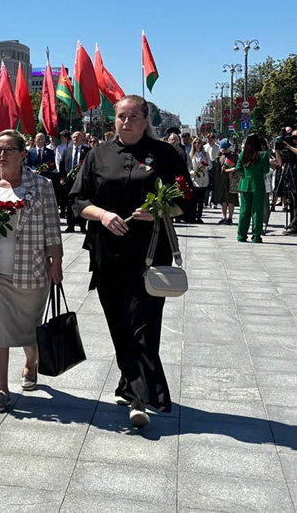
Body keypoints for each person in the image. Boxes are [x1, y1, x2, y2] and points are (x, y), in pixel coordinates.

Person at [70, 95, 190, 426]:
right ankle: (131, 386)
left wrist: (159, 211)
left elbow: (187, 199)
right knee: (119, 324)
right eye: (121, 116)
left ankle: (140, 398)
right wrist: (103, 215)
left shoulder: (165, 154)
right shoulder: (98, 154)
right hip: (106, 252)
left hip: (149, 253)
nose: (126, 122)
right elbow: (77, 199)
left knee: (143, 325)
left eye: (134, 116)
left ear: (146, 120)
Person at [0, 129, 63, 412]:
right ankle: (1, 390)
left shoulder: (41, 185)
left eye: (8, 150)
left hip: (31, 270)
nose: (1, 155)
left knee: (29, 330)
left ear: (22, 154)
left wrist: (56, 261)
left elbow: (52, 226)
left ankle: (31, 361)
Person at [233, 134, 271, 243]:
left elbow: (238, 168)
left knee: (244, 211)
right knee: (257, 211)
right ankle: (256, 236)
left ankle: (241, 235)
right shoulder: (263, 155)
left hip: (245, 184)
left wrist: (245, 175)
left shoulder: (242, 154)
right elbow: (266, 170)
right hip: (258, 184)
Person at [59, 131, 89, 233]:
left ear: (82, 139)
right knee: (69, 203)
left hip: (82, 182)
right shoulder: (67, 151)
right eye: (74, 137)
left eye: (77, 137)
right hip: (69, 182)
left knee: (82, 203)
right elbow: (62, 165)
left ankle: (82, 226)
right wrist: (62, 177)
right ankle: (70, 225)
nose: (75, 139)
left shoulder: (87, 151)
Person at [214, 139, 240, 225]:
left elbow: (237, 167)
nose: (223, 150)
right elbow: (217, 166)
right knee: (223, 199)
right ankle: (224, 217)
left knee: (231, 199)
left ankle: (230, 217)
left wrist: (229, 169)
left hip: (232, 180)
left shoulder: (234, 156)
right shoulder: (220, 155)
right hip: (222, 180)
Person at [188, 137, 210, 223]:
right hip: (194, 179)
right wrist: (192, 172)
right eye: (195, 143)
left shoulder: (205, 154)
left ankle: (199, 217)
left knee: (201, 199)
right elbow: (189, 167)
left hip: (203, 179)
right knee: (194, 199)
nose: (197, 144)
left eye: (199, 142)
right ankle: (192, 216)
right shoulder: (191, 155)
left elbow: (210, 165)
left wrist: (205, 167)